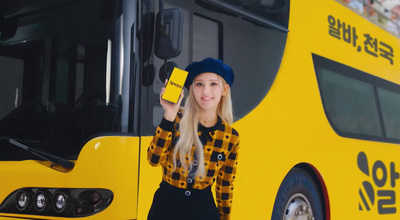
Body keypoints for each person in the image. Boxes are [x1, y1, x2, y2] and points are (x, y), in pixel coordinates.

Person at [147, 58, 240, 220]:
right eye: (199, 84)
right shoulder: (175, 119)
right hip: (165, 208)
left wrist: (225, 218)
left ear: (224, 90)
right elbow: (154, 159)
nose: (206, 91)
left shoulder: (231, 137)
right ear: (191, 88)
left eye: (213, 84)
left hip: (203, 211)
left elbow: (225, 186)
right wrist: (169, 114)